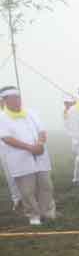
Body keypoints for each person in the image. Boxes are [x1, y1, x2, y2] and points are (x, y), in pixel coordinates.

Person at [0, 86, 55, 225]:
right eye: (11, 98)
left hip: (40, 156)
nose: (16, 101)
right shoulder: (2, 117)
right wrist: (30, 148)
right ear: (5, 101)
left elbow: (42, 131)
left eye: (17, 97)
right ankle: (33, 215)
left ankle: (47, 212)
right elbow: (7, 138)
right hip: (20, 159)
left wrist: (40, 144)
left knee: (46, 186)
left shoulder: (31, 113)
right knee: (27, 190)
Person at [63, 94, 79, 187]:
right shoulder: (67, 112)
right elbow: (69, 128)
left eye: (69, 102)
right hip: (76, 139)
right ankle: (77, 178)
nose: (67, 104)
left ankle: (78, 178)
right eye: (66, 103)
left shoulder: (76, 110)